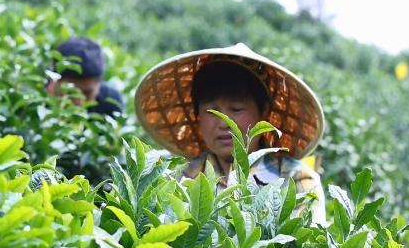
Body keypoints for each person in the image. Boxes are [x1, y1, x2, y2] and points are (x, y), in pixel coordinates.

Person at [134, 43, 326, 224]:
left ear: (264, 112)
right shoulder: (180, 178)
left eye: (236, 109)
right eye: (211, 111)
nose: (224, 123)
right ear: (197, 114)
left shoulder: (297, 179)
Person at [45, 36, 124, 116]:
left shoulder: (111, 102)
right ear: (53, 81)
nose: (78, 103)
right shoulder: (41, 99)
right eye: (70, 92)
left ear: (99, 84)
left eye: (86, 93)